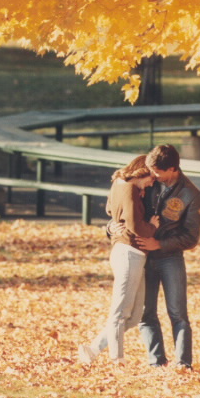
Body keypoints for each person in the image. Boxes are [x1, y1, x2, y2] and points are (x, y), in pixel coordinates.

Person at [78, 155, 159, 366]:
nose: (153, 181)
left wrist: (114, 223)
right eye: (152, 176)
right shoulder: (129, 188)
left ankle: (93, 350)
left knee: (133, 316)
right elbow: (136, 226)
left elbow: (110, 210)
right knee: (120, 312)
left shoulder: (121, 185)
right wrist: (152, 226)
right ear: (143, 171)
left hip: (134, 254)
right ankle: (118, 360)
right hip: (128, 253)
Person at [135, 144, 200, 370]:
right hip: (143, 256)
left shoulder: (191, 194)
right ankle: (157, 361)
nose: (153, 176)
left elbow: (191, 237)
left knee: (177, 312)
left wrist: (160, 244)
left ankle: (183, 363)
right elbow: (124, 211)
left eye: (157, 172)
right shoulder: (148, 182)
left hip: (170, 257)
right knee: (146, 312)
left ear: (172, 169)